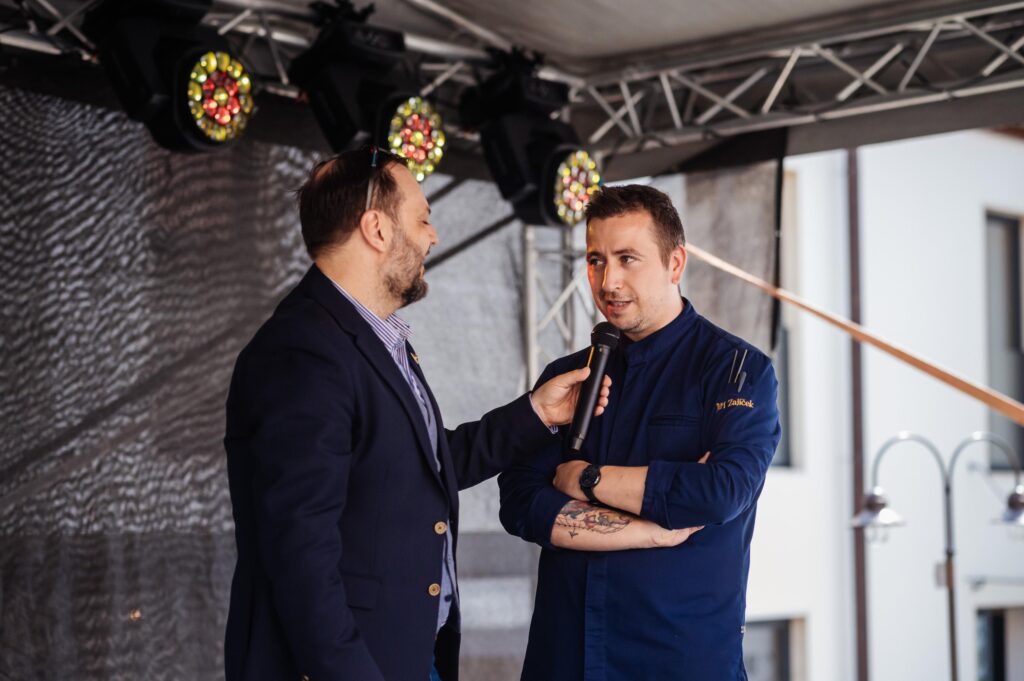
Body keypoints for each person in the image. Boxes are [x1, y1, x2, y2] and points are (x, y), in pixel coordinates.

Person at [222, 146, 609, 681]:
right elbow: (299, 552)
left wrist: (537, 413)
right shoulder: (303, 351)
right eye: (423, 219)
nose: (433, 236)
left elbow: (421, 464)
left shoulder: (372, 338)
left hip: (402, 653)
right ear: (377, 229)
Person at [498, 184, 781, 681]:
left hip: (678, 662)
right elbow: (519, 501)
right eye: (596, 260)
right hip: (564, 659)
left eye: (628, 259)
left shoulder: (736, 369)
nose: (608, 281)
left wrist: (585, 480)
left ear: (675, 264)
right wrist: (649, 527)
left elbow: (721, 490)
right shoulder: (568, 376)